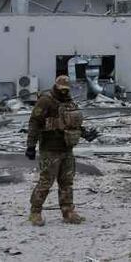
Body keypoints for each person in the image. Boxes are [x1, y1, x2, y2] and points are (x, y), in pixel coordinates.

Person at [26, 75, 98, 226]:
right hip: (49, 149)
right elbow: (34, 122)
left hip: (66, 149)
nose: (64, 91)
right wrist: (31, 146)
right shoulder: (45, 101)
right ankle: (35, 212)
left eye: (66, 89)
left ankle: (68, 212)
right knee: (46, 182)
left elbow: (73, 124)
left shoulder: (69, 102)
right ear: (56, 86)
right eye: (61, 89)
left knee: (66, 182)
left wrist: (86, 134)